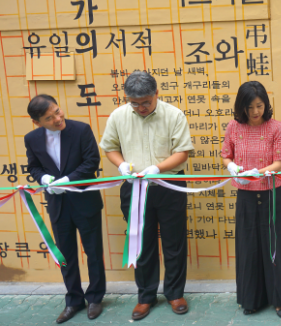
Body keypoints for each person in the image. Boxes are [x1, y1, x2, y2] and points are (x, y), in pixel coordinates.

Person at [99, 71, 194, 320]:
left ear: (156, 95)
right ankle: (146, 296)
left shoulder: (174, 115)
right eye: (135, 103)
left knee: (174, 243)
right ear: (127, 98)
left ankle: (175, 293)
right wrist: (120, 165)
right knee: (141, 244)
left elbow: (182, 152)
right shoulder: (118, 116)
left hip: (169, 184)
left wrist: (158, 168)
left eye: (146, 103)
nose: (141, 108)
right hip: (134, 187)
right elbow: (110, 147)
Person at [221, 81, 281, 318]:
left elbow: (279, 162)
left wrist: (261, 171)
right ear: (241, 107)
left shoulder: (276, 127)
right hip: (245, 195)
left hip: (271, 193)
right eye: (250, 107)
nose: (256, 112)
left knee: (276, 245)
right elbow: (226, 156)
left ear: (266, 104)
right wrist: (233, 168)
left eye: (260, 105)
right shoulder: (234, 127)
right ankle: (251, 299)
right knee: (249, 247)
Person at [25, 94, 105, 323]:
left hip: (84, 201)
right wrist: (45, 179)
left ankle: (96, 297)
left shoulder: (81, 130)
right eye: (50, 118)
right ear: (37, 122)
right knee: (65, 255)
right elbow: (33, 167)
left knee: (93, 253)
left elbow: (91, 162)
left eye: (58, 111)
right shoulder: (31, 139)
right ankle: (73, 301)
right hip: (58, 205)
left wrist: (68, 180)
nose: (59, 119)